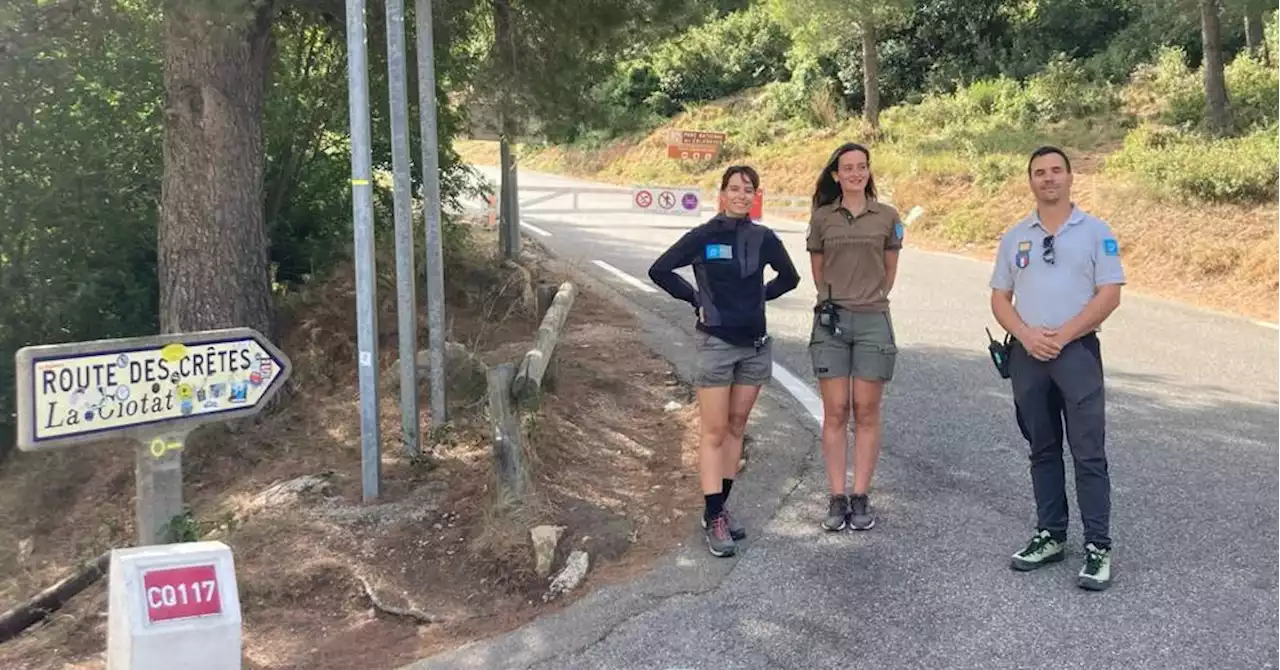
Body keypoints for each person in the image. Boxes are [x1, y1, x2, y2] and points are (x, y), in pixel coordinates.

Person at [989, 145, 1125, 591]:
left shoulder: (1095, 232)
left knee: (1088, 453)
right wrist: (1027, 337)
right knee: (1042, 448)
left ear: (1070, 177)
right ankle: (1051, 535)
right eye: (1039, 173)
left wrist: (1062, 336)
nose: (1048, 179)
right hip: (1029, 354)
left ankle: (1098, 547)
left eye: (1055, 171)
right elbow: (999, 298)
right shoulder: (1015, 237)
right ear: (1030, 181)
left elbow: (1109, 294)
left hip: (1076, 353)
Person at [648, 165, 800, 557]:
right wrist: (695, 299)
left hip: (754, 345)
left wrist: (757, 298)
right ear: (722, 194)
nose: (741, 195)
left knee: (736, 427)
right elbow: (660, 270)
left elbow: (791, 278)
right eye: (734, 188)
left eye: (748, 189)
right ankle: (714, 516)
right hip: (716, 344)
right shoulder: (704, 236)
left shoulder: (763, 238)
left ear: (755, 196)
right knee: (714, 432)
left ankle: (719, 507)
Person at [805, 142, 904, 532]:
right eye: (848, 168)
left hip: (873, 320)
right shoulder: (822, 218)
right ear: (836, 174)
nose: (855, 173)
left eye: (862, 167)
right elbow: (818, 270)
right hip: (831, 322)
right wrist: (838, 298)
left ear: (868, 172)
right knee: (835, 411)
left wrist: (868, 297)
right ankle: (835, 495)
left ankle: (860, 494)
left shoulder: (887, 216)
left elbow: (890, 268)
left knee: (865, 410)